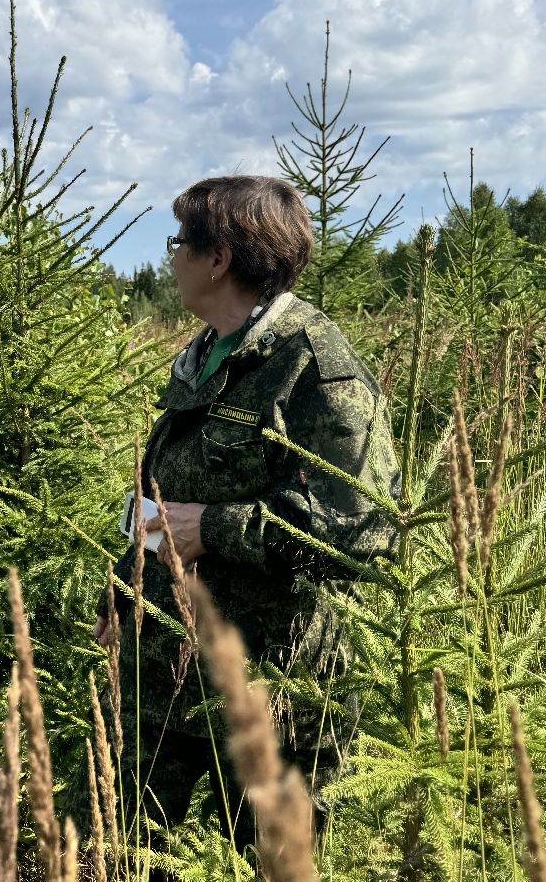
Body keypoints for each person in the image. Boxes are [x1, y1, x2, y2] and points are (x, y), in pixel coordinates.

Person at [92, 175, 400, 848]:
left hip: (273, 684)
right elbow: (160, 502)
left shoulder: (313, 364)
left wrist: (214, 528)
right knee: (134, 852)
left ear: (218, 259)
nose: (170, 256)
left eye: (179, 242)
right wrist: (119, 596)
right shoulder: (201, 356)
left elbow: (364, 528)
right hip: (166, 676)